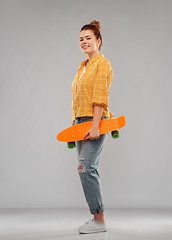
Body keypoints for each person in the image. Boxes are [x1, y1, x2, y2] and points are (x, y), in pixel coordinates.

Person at [71, 20, 114, 234]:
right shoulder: (83, 66)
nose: (84, 42)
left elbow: (99, 98)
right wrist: (74, 125)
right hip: (80, 123)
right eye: (81, 39)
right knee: (84, 169)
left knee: (86, 168)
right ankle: (96, 218)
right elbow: (79, 98)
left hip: (93, 121)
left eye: (88, 38)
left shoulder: (101, 63)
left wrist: (95, 125)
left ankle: (99, 220)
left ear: (98, 41)